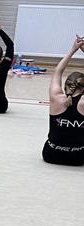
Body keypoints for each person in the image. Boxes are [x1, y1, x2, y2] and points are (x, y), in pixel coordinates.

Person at [42, 34, 84, 166]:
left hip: (51, 154)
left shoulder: (56, 97)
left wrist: (73, 50)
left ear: (66, 85)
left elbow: (57, 72)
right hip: (77, 157)